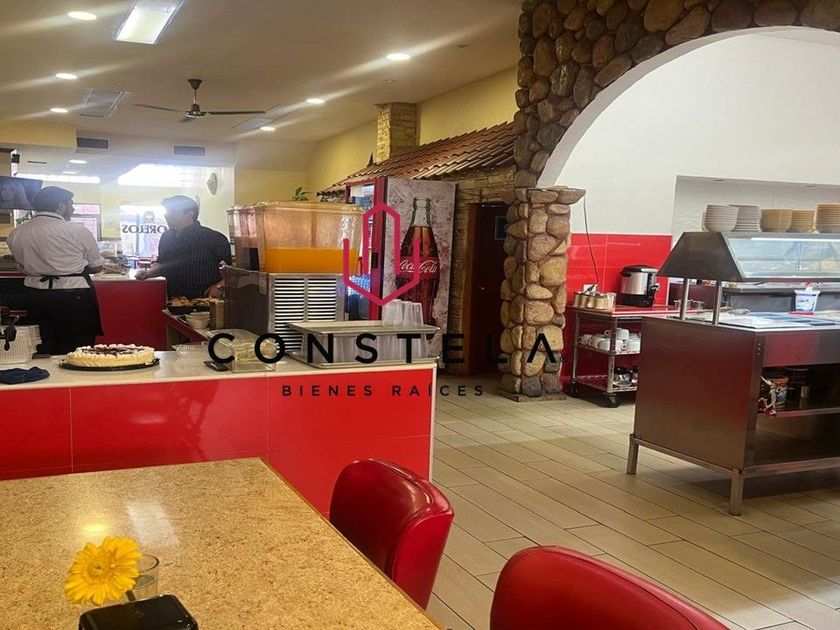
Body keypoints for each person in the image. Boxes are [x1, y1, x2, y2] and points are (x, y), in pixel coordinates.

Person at [7, 186, 104, 354]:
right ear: (61, 206)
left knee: (43, 344)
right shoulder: (77, 231)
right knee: (77, 348)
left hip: (35, 295)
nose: (73, 208)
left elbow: (22, 267)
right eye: (71, 204)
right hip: (74, 295)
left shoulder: (16, 233)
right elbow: (97, 266)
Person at [136, 195, 231, 298]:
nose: (167, 215)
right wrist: (148, 273)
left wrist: (219, 287)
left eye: (173, 211)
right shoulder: (166, 237)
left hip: (205, 300)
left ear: (190, 213)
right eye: (167, 212)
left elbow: (235, 272)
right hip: (172, 301)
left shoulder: (213, 237)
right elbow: (161, 262)